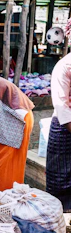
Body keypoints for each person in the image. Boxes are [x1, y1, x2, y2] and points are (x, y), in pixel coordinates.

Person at [46, 51, 71, 211]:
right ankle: (60, 219)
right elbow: (62, 108)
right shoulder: (63, 67)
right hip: (64, 128)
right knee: (60, 179)